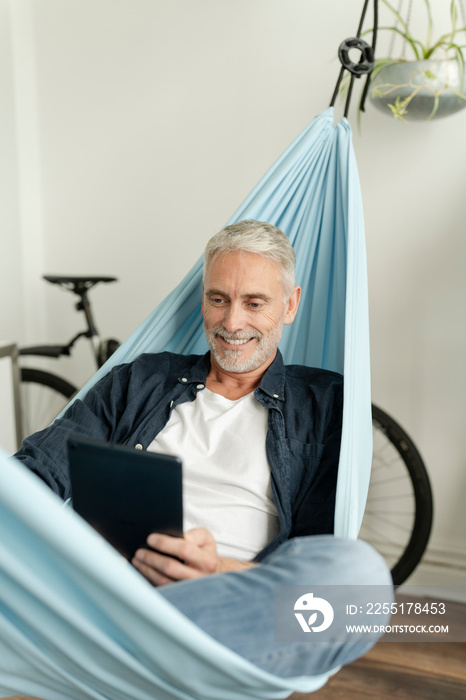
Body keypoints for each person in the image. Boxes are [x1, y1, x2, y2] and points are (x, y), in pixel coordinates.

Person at [15, 219, 392, 680]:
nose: (232, 323)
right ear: (203, 300)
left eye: (255, 303)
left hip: (229, 601)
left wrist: (216, 569)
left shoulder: (325, 404)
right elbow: (39, 469)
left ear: (290, 304)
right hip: (108, 588)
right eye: (219, 299)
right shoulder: (141, 380)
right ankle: (135, 653)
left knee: (361, 581)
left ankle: (130, 656)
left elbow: (311, 551)